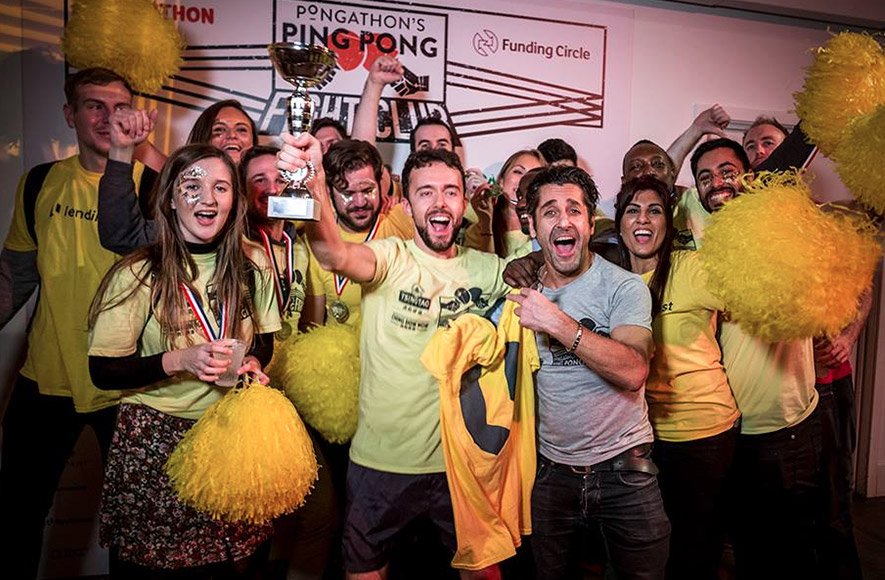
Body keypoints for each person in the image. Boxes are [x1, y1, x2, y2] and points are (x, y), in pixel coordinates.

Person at [278, 133, 512, 579]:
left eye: (450, 192)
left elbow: (544, 280)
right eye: (426, 192)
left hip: (461, 464)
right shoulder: (390, 256)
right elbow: (332, 254)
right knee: (366, 570)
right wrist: (315, 182)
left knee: (483, 570)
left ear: (464, 202)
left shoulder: (489, 269)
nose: (439, 203)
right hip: (381, 463)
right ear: (406, 204)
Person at [87, 143, 281, 578]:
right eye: (193, 186)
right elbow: (102, 371)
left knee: (229, 565)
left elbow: (265, 342)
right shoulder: (138, 272)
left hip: (230, 435)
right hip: (155, 441)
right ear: (170, 198)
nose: (208, 199)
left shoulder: (253, 263)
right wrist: (180, 359)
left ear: (234, 200)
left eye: (221, 188)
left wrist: (252, 363)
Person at [0, 67, 158, 579]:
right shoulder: (39, 182)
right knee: (16, 517)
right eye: (95, 106)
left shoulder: (155, 185)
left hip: (130, 384)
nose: (109, 118)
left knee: (135, 529)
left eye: (120, 107)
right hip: (47, 375)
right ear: (70, 115)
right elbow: (16, 274)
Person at [508, 165, 670, 580]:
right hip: (551, 474)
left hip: (624, 472)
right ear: (533, 226)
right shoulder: (521, 291)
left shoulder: (624, 287)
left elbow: (634, 370)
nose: (564, 221)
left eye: (574, 210)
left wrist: (558, 323)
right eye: (550, 212)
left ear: (589, 223)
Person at [688, 138, 822, 579]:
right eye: (705, 177)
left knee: (795, 552)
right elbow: (650, 182)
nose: (716, 183)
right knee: (747, 548)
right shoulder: (698, 235)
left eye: (727, 171)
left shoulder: (781, 221)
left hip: (788, 426)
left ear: (750, 176)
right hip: (729, 431)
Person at [615, 175, 739, 580]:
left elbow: (751, 293)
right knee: (652, 551)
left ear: (668, 222)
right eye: (632, 210)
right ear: (619, 223)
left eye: (654, 210)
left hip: (703, 432)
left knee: (694, 549)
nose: (643, 219)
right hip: (645, 435)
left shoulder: (690, 269)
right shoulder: (612, 281)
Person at [97, 98, 259, 255]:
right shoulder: (176, 193)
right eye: (219, 130)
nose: (232, 135)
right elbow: (123, 236)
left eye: (241, 129)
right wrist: (121, 151)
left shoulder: (266, 195)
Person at [301, 139, 412, 329]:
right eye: (348, 193)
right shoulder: (318, 239)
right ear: (328, 191)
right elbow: (313, 325)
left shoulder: (401, 220)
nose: (360, 202)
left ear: (380, 184)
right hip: (337, 345)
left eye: (368, 190)